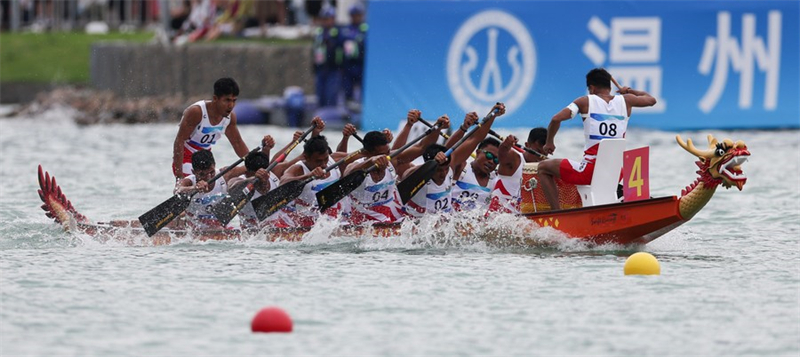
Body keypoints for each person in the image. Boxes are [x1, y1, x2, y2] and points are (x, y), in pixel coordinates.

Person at [537, 68, 656, 210]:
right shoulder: (627, 100)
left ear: (591, 88)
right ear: (610, 87)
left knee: (543, 167)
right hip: (616, 172)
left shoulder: (584, 101)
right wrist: (630, 90)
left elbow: (556, 119)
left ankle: (557, 213)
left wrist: (549, 142)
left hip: (590, 172)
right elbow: (651, 100)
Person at [172, 77, 250, 181]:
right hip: (186, 159)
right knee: (198, 184)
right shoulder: (196, 112)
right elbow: (179, 141)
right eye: (227, 100)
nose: (231, 105)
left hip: (207, 161)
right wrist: (179, 176)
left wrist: (253, 162)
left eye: (234, 101)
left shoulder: (230, 118)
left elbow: (237, 143)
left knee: (243, 172)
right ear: (215, 98)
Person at [446, 103, 506, 212]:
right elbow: (448, 153)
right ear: (478, 152)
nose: (491, 161)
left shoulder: (496, 180)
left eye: (496, 160)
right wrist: (491, 115)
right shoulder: (461, 168)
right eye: (488, 155)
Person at [488, 127, 548, 214]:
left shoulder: (546, 168)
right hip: (498, 216)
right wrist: (506, 145)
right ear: (527, 145)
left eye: (544, 154)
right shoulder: (514, 158)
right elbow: (502, 155)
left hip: (521, 219)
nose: (540, 157)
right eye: (538, 152)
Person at [175, 150, 240, 230]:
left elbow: (249, 169)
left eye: (212, 172)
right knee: (179, 218)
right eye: (202, 174)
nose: (208, 177)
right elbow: (177, 190)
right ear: (193, 172)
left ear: (215, 166)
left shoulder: (225, 175)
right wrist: (194, 188)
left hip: (221, 227)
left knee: (219, 228)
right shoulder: (189, 181)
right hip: (195, 229)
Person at [312, 6, 344, 108]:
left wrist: (331, 43)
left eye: (328, 19)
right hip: (321, 68)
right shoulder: (319, 33)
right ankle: (320, 117)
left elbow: (342, 49)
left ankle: (330, 117)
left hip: (333, 68)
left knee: (331, 94)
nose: (326, 22)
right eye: (324, 19)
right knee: (320, 94)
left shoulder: (338, 32)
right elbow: (314, 50)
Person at [342, 2, 366, 105]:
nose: (355, 18)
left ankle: (362, 104)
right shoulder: (346, 29)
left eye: (357, 15)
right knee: (348, 87)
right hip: (349, 63)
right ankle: (349, 106)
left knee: (362, 86)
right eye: (353, 15)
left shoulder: (366, 28)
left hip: (361, 63)